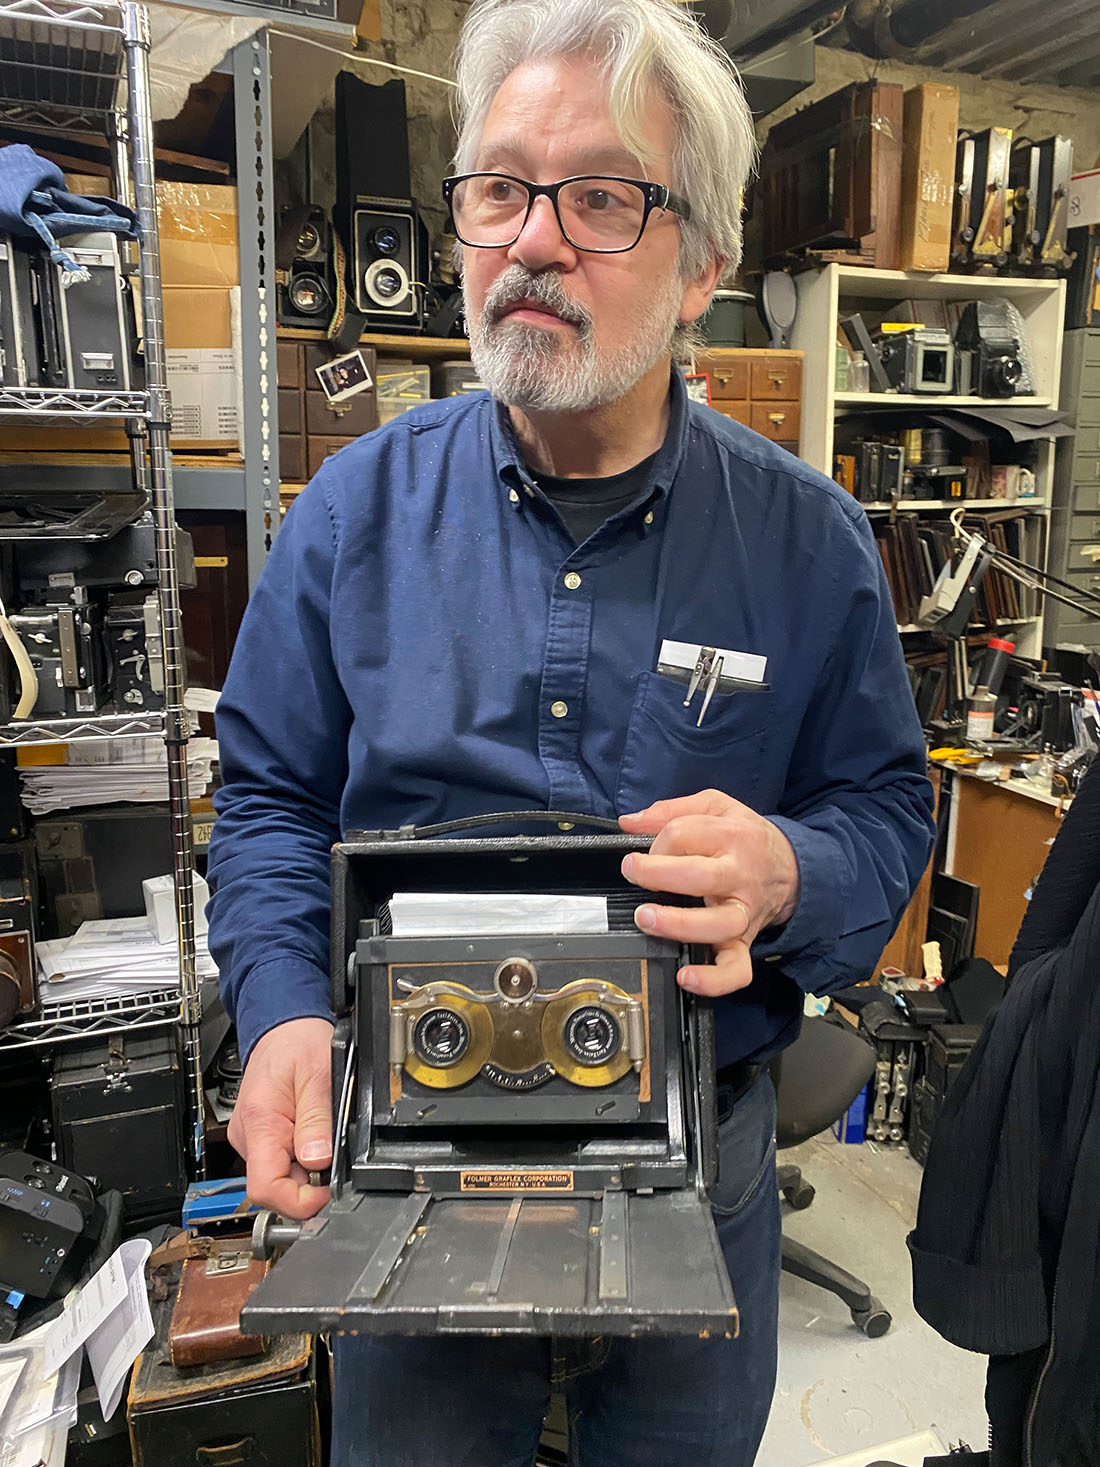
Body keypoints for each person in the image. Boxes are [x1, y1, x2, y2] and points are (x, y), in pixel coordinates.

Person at [207, 1, 935, 1462]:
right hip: (408, 1150)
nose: (534, 239)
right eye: (498, 187)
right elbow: (273, 798)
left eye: (602, 196)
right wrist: (285, 1008)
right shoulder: (353, 514)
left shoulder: (809, 545)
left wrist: (790, 871)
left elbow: (885, 809)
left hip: (695, 1157)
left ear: (704, 266)